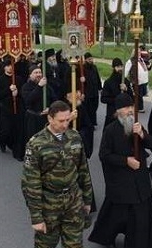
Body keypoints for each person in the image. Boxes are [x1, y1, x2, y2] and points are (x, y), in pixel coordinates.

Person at [89, 93, 152, 248]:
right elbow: (104, 155)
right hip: (121, 183)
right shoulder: (110, 130)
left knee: (139, 219)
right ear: (117, 111)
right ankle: (108, 237)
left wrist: (142, 134)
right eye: (125, 107)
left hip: (139, 183)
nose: (129, 110)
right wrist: (126, 161)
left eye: (131, 107)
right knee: (116, 216)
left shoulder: (137, 126)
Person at [21, 100, 94, 248]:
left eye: (68, 120)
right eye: (61, 120)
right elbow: (30, 182)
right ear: (49, 118)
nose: (65, 124)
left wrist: (87, 200)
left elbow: (83, 170)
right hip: (49, 205)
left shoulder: (75, 137)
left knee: (75, 245)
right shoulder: (36, 144)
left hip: (73, 202)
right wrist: (36, 217)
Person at [100, 58, 133, 128]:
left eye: (121, 66)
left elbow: (132, 97)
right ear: (113, 68)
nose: (120, 68)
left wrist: (126, 89)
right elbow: (103, 99)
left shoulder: (126, 81)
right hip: (112, 114)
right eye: (118, 67)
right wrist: (118, 100)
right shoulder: (108, 82)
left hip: (124, 114)